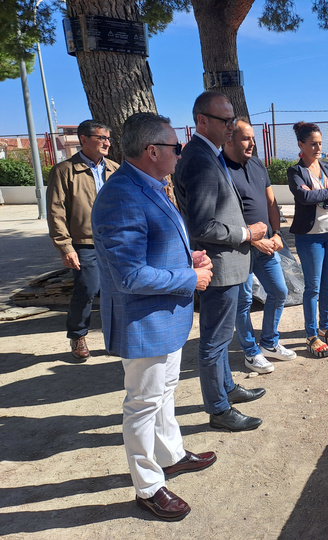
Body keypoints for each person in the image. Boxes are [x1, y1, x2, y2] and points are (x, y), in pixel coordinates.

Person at [91, 112, 216, 521]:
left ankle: (172, 454)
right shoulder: (121, 195)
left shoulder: (148, 186)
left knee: (165, 392)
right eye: (176, 148)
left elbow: (152, 247)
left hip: (164, 316)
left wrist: (187, 257)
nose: (180, 155)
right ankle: (148, 485)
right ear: (152, 151)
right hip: (143, 321)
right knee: (143, 404)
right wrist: (190, 277)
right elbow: (129, 274)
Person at [174, 91, 267, 432]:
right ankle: (218, 408)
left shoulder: (207, 154)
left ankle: (227, 388)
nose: (231, 126)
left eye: (232, 119)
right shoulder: (199, 159)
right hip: (219, 267)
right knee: (214, 341)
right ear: (202, 120)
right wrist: (246, 233)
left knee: (223, 336)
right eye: (225, 120)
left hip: (229, 266)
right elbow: (202, 225)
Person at [223, 119, 297, 373]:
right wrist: (253, 239)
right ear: (229, 139)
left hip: (268, 246)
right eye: (246, 138)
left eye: (253, 138)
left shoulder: (256, 165)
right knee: (243, 301)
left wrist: (277, 233)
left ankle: (268, 343)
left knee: (279, 292)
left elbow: (271, 203)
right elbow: (220, 216)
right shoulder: (220, 168)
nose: (252, 143)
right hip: (238, 249)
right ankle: (250, 352)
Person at [47, 119, 119, 360]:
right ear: (84, 140)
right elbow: (56, 212)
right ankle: (77, 335)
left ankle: (116, 337)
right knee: (87, 289)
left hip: (115, 242)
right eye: (101, 138)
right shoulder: (65, 171)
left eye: (108, 138)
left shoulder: (115, 169)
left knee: (117, 290)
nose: (107, 142)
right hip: (85, 243)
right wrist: (65, 247)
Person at [288, 122, 328, 358]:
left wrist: (326, 198)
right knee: (312, 288)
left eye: (320, 144)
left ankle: (325, 328)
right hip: (310, 237)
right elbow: (304, 197)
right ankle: (312, 335)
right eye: (313, 144)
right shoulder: (295, 171)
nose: (318, 148)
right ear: (301, 145)